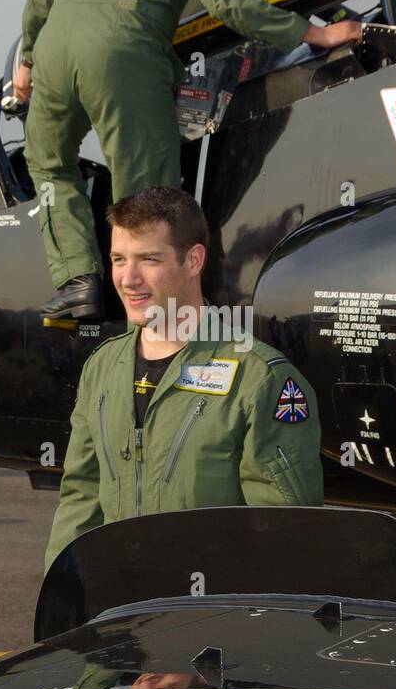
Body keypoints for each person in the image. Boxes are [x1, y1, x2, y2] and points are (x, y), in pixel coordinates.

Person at [16, 0, 362, 321]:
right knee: (145, 189)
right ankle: (153, 308)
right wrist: (314, 33)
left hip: (52, 54)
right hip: (124, 54)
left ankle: (77, 282)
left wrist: (26, 61)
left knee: (48, 163)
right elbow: (226, 1)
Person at [44, 186, 323, 573]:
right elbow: (81, 498)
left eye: (149, 259)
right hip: (118, 614)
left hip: (207, 621)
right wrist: (63, 600)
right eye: (119, 259)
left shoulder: (259, 378)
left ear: (193, 261)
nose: (128, 278)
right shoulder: (102, 368)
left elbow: (284, 537)